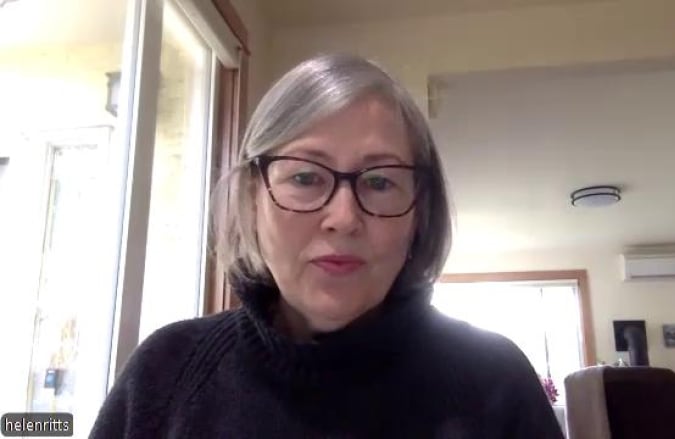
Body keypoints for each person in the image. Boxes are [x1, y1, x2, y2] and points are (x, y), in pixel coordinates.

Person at [89, 54, 563, 438]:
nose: (343, 219)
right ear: (253, 197)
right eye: (305, 177)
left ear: (420, 212)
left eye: (379, 182)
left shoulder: (495, 382)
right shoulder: (168, 372)